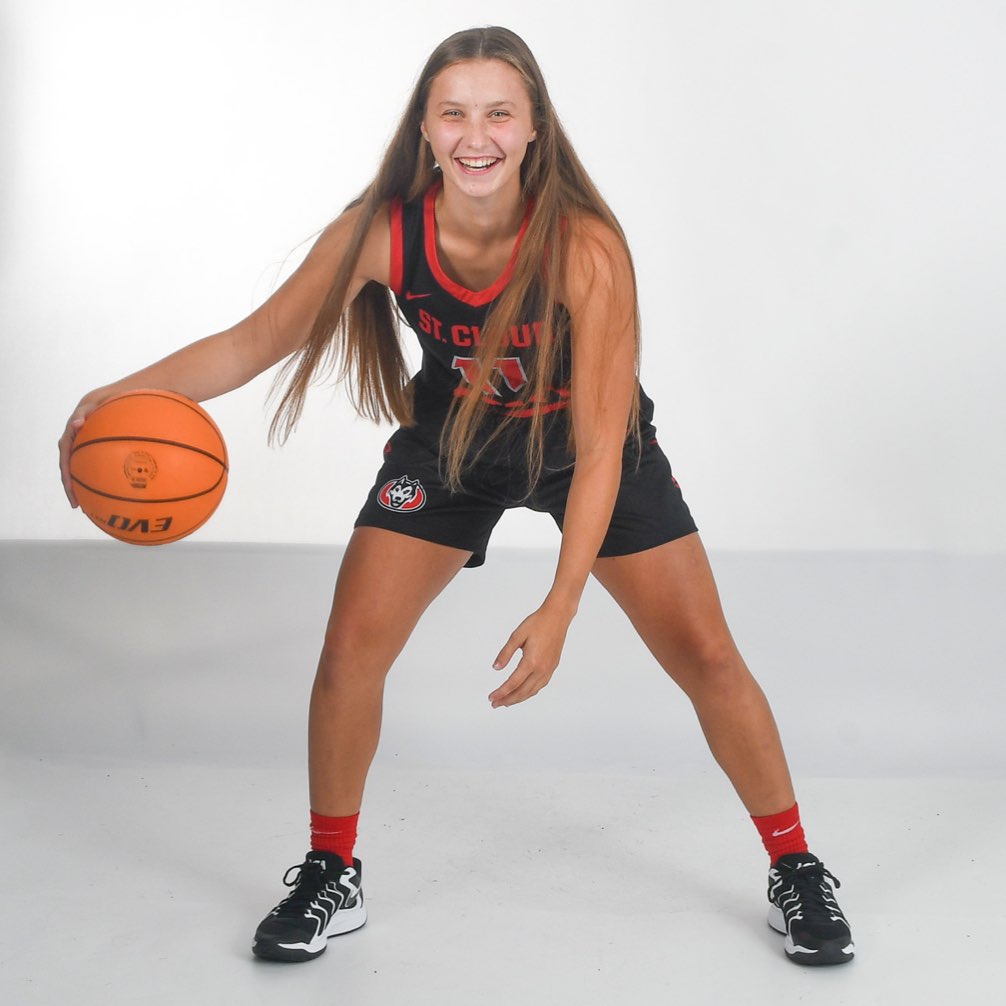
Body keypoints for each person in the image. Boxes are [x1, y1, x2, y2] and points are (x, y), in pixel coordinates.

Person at [58, 26, 854, 967]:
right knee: (349, 651)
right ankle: (331, 871)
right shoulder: (383, 235)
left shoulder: (584, 247)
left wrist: (561, 605)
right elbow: (249, 344)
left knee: (708, 655)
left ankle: (796, 866)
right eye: (455, 114)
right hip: (454, 446)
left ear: (533, 128)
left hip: (587, 450)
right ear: (426, 130)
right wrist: (111, 400)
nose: (477, 135)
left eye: (498, 114)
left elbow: (603, 445)